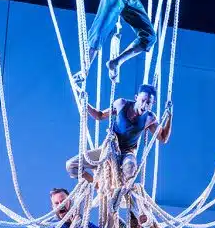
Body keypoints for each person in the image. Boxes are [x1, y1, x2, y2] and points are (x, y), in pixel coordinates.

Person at [65, 84, 172, 213]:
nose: (144, 105)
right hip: (108, 149)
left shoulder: (149, 118)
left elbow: (163, 138)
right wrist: (85, 103)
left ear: (152, 104)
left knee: (130, 167)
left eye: (148, 103)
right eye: (143, 100)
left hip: (127, 153)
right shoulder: (121, 104)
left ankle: (121, 195)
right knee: (71, 166)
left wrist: (169, 116)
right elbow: (99, 115)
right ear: (136, 98)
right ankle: (100, 187)